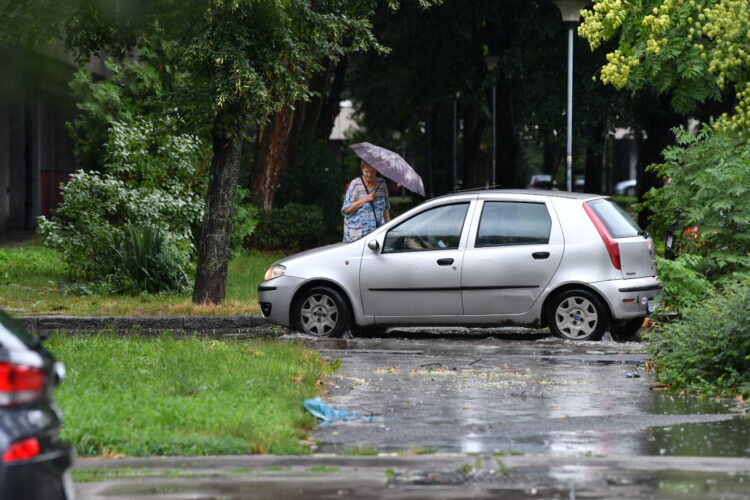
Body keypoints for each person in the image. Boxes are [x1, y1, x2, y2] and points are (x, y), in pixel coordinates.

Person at [341, 161, 391, 242]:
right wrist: (365, 199)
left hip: (377, 234)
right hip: (356, 237)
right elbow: (346, 210)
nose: (369, 175)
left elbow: (386, 210)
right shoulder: (355, 184)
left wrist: (389, 230)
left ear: (376, 170)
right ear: (362, 169)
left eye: (372, 172)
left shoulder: (382, 184)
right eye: (367, 171)